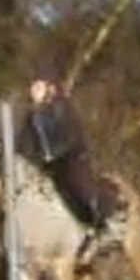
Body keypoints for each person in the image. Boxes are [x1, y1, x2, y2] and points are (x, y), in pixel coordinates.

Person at [16, 65, 121, 240]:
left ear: (50, 89)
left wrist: (53, 154)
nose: (33, 91)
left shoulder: (62, 108)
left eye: (38, 87)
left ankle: (100, 222)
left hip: (71, 159)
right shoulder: (31, 117)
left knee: (78, 187)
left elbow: (71, 137)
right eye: (33, 87)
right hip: (46, 165)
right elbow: (24, 143)